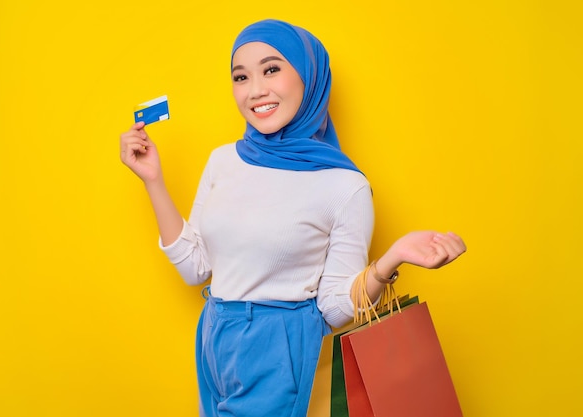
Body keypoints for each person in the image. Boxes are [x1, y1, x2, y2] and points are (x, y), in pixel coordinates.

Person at [120, 19, 466, 417]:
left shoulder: (343, 186)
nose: (255, 91)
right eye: (240, 76)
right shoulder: (222, 161)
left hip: (279, 346)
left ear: (309, 77)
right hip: (215, 336)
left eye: (272, 69)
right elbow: (196, 268)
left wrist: (390, 260)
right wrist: (153, 181)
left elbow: (335, 307)